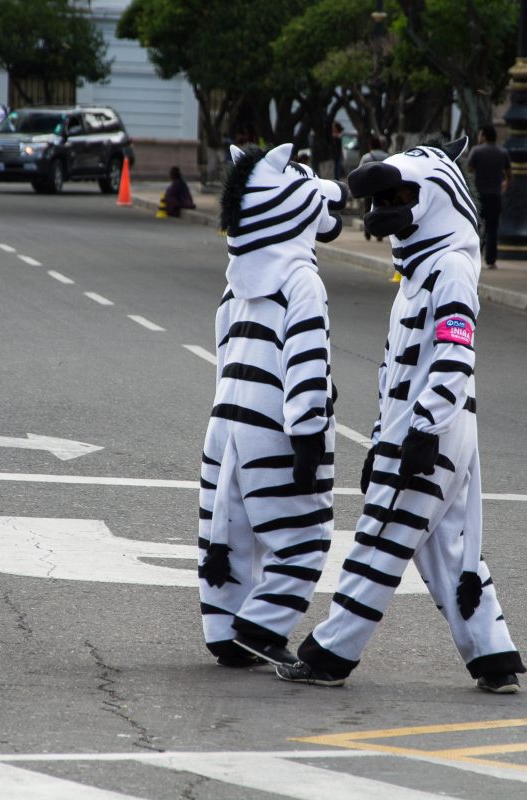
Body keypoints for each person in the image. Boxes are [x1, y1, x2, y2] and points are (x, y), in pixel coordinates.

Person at [276, 137, 526, 694]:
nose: (381, 211)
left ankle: (330, 655)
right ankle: (494, 656)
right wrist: (378, 440)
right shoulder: (420, 275)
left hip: (429, 430)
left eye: (396, 196)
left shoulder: (449, 270)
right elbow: (394, 374)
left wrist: (424, 428)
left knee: (381, 537)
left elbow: (456, 355)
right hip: (418, 430)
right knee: (448, 549)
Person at [198, 143, 347, 669]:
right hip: (275, 425)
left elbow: (222, 348)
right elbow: (305, 357)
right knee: (304, 534)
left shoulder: (237, 279)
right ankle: (261, 627)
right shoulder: (301, 279)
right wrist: (308, 433)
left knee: (229, 530)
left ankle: (222, 630)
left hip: (225, 421)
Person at [466, 124, 511, 269]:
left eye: (480, 134)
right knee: (492, 229)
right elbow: (509, 173)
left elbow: (468, 170)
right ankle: (491, 260)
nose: (479, 137)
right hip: (495, 195)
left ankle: (473, 256)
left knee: (475, 227)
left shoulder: (476, 151)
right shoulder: (502, 152)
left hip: (478, 196)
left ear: (484, 136)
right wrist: (505, 183)